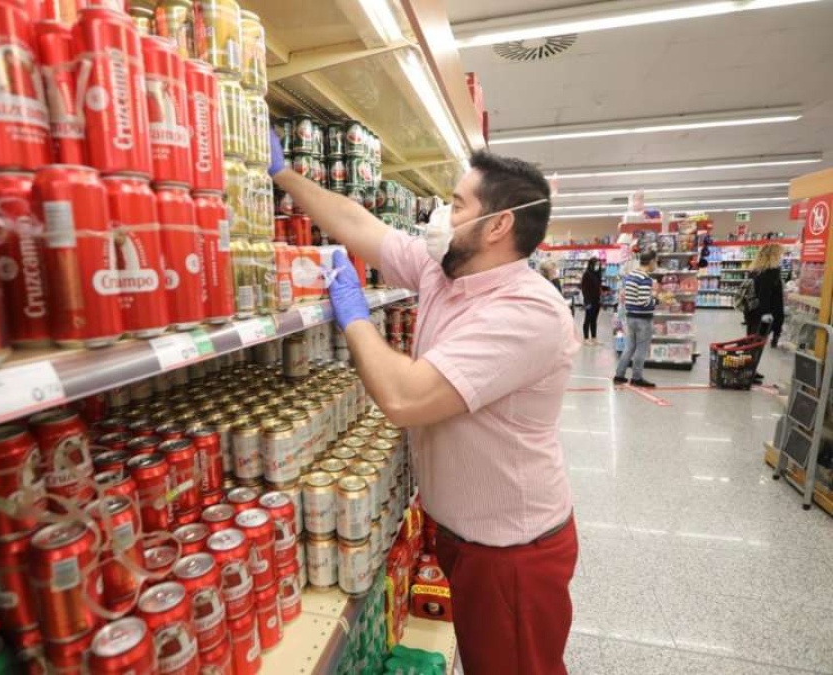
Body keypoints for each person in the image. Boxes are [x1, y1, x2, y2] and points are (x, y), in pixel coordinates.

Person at [268, 133, 579, 675]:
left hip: (511, 552)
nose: (441, 214)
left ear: (499, 225)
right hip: (465, 535)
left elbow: (404, 397)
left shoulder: (528, 313)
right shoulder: (448, 271)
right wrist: (283, 175)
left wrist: (356, 315)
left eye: (457, 205)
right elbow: (362, 225)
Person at [614, 250, 658, 387]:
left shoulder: (631, 275)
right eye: (656, 261)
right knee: (641, 349)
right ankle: (637, 377)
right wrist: (656, 300)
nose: (656, 264)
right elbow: (643, 301)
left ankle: (619, 375)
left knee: (629, 347)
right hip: (643, 319)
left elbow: (630, 296)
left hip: (631, 316)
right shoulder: (645, 279)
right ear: (651, 262)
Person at [746, 243, 785, 347]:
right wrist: (766, 313)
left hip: (754, 311)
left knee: (752, 340)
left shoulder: (756, 270)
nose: (781, 257)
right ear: (773, 256)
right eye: (779, 255)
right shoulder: (770, 273)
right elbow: (764, 294)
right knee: (756, 344)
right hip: (768, 312)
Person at [581, 257, 602, 345]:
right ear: (591, 264)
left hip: (597, 300)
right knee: (588, 319)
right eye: (596, 264)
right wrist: (587, 302)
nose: (598, 266)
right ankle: (586, 339)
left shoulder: (597, 274)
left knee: (594, 320)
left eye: (598, 264)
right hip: (589, 301)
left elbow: (597, 287)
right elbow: (584, 289)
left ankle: (594, 338)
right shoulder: (587, 274)